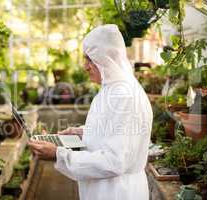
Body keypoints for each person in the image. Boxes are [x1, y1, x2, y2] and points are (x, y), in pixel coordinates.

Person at [27, 24, 153, 200]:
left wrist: (58, 153)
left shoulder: (124, 95)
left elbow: (114, 161)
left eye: (90, 59)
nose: (85, 67)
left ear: (106, 58)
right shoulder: (112, 88)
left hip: (117, 192)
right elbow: (114, 132)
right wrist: (79, 132)